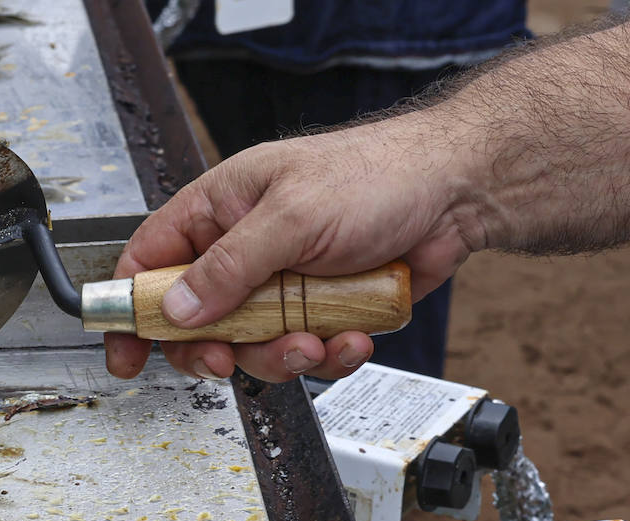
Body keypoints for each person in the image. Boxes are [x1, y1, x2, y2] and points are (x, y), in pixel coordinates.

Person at [104, 0, 630, 383]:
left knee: (383, 367)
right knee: (288, 249)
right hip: (237, 31)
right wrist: (445, 168)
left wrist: (448, 172)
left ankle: (379, 486)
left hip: (404, 29)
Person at [156, 0, 530, 378]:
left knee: (394, 281)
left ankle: (382, 418)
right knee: (264, 250)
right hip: (221, 35)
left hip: (391, 33)